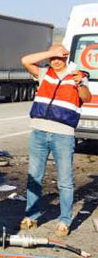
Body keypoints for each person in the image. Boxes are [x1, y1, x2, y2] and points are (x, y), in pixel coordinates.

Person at [19, 44, 91, 237]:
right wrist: (52, 52)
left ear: (66, 56)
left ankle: (64, 220)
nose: (55, 61)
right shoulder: (44, 73)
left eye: (60, 57)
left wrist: (80, 84)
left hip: (63, 135)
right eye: (53, 58)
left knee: (65, 181)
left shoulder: (79, 75)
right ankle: (31, 216)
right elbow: (25, 60)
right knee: (34, 176)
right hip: (39, 132)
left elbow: (86, 97)